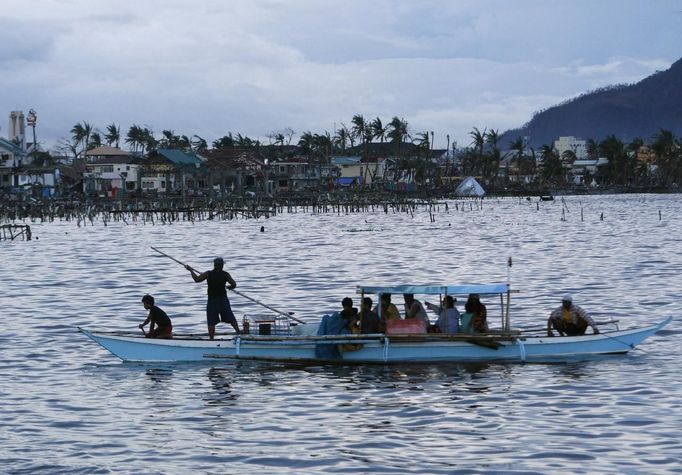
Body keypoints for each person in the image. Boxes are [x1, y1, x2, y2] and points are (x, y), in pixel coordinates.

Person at [186, 257, 240, 340]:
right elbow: (234, 284)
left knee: (211, 321)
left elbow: (197, 279)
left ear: (214, 265)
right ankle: (238, 332)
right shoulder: (225, 274)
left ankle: (212, 339)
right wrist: (230, 287)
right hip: (223, 300)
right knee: (230, 317)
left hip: (212, 301)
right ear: (222, 265)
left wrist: (191, 271)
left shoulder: (208, 274)